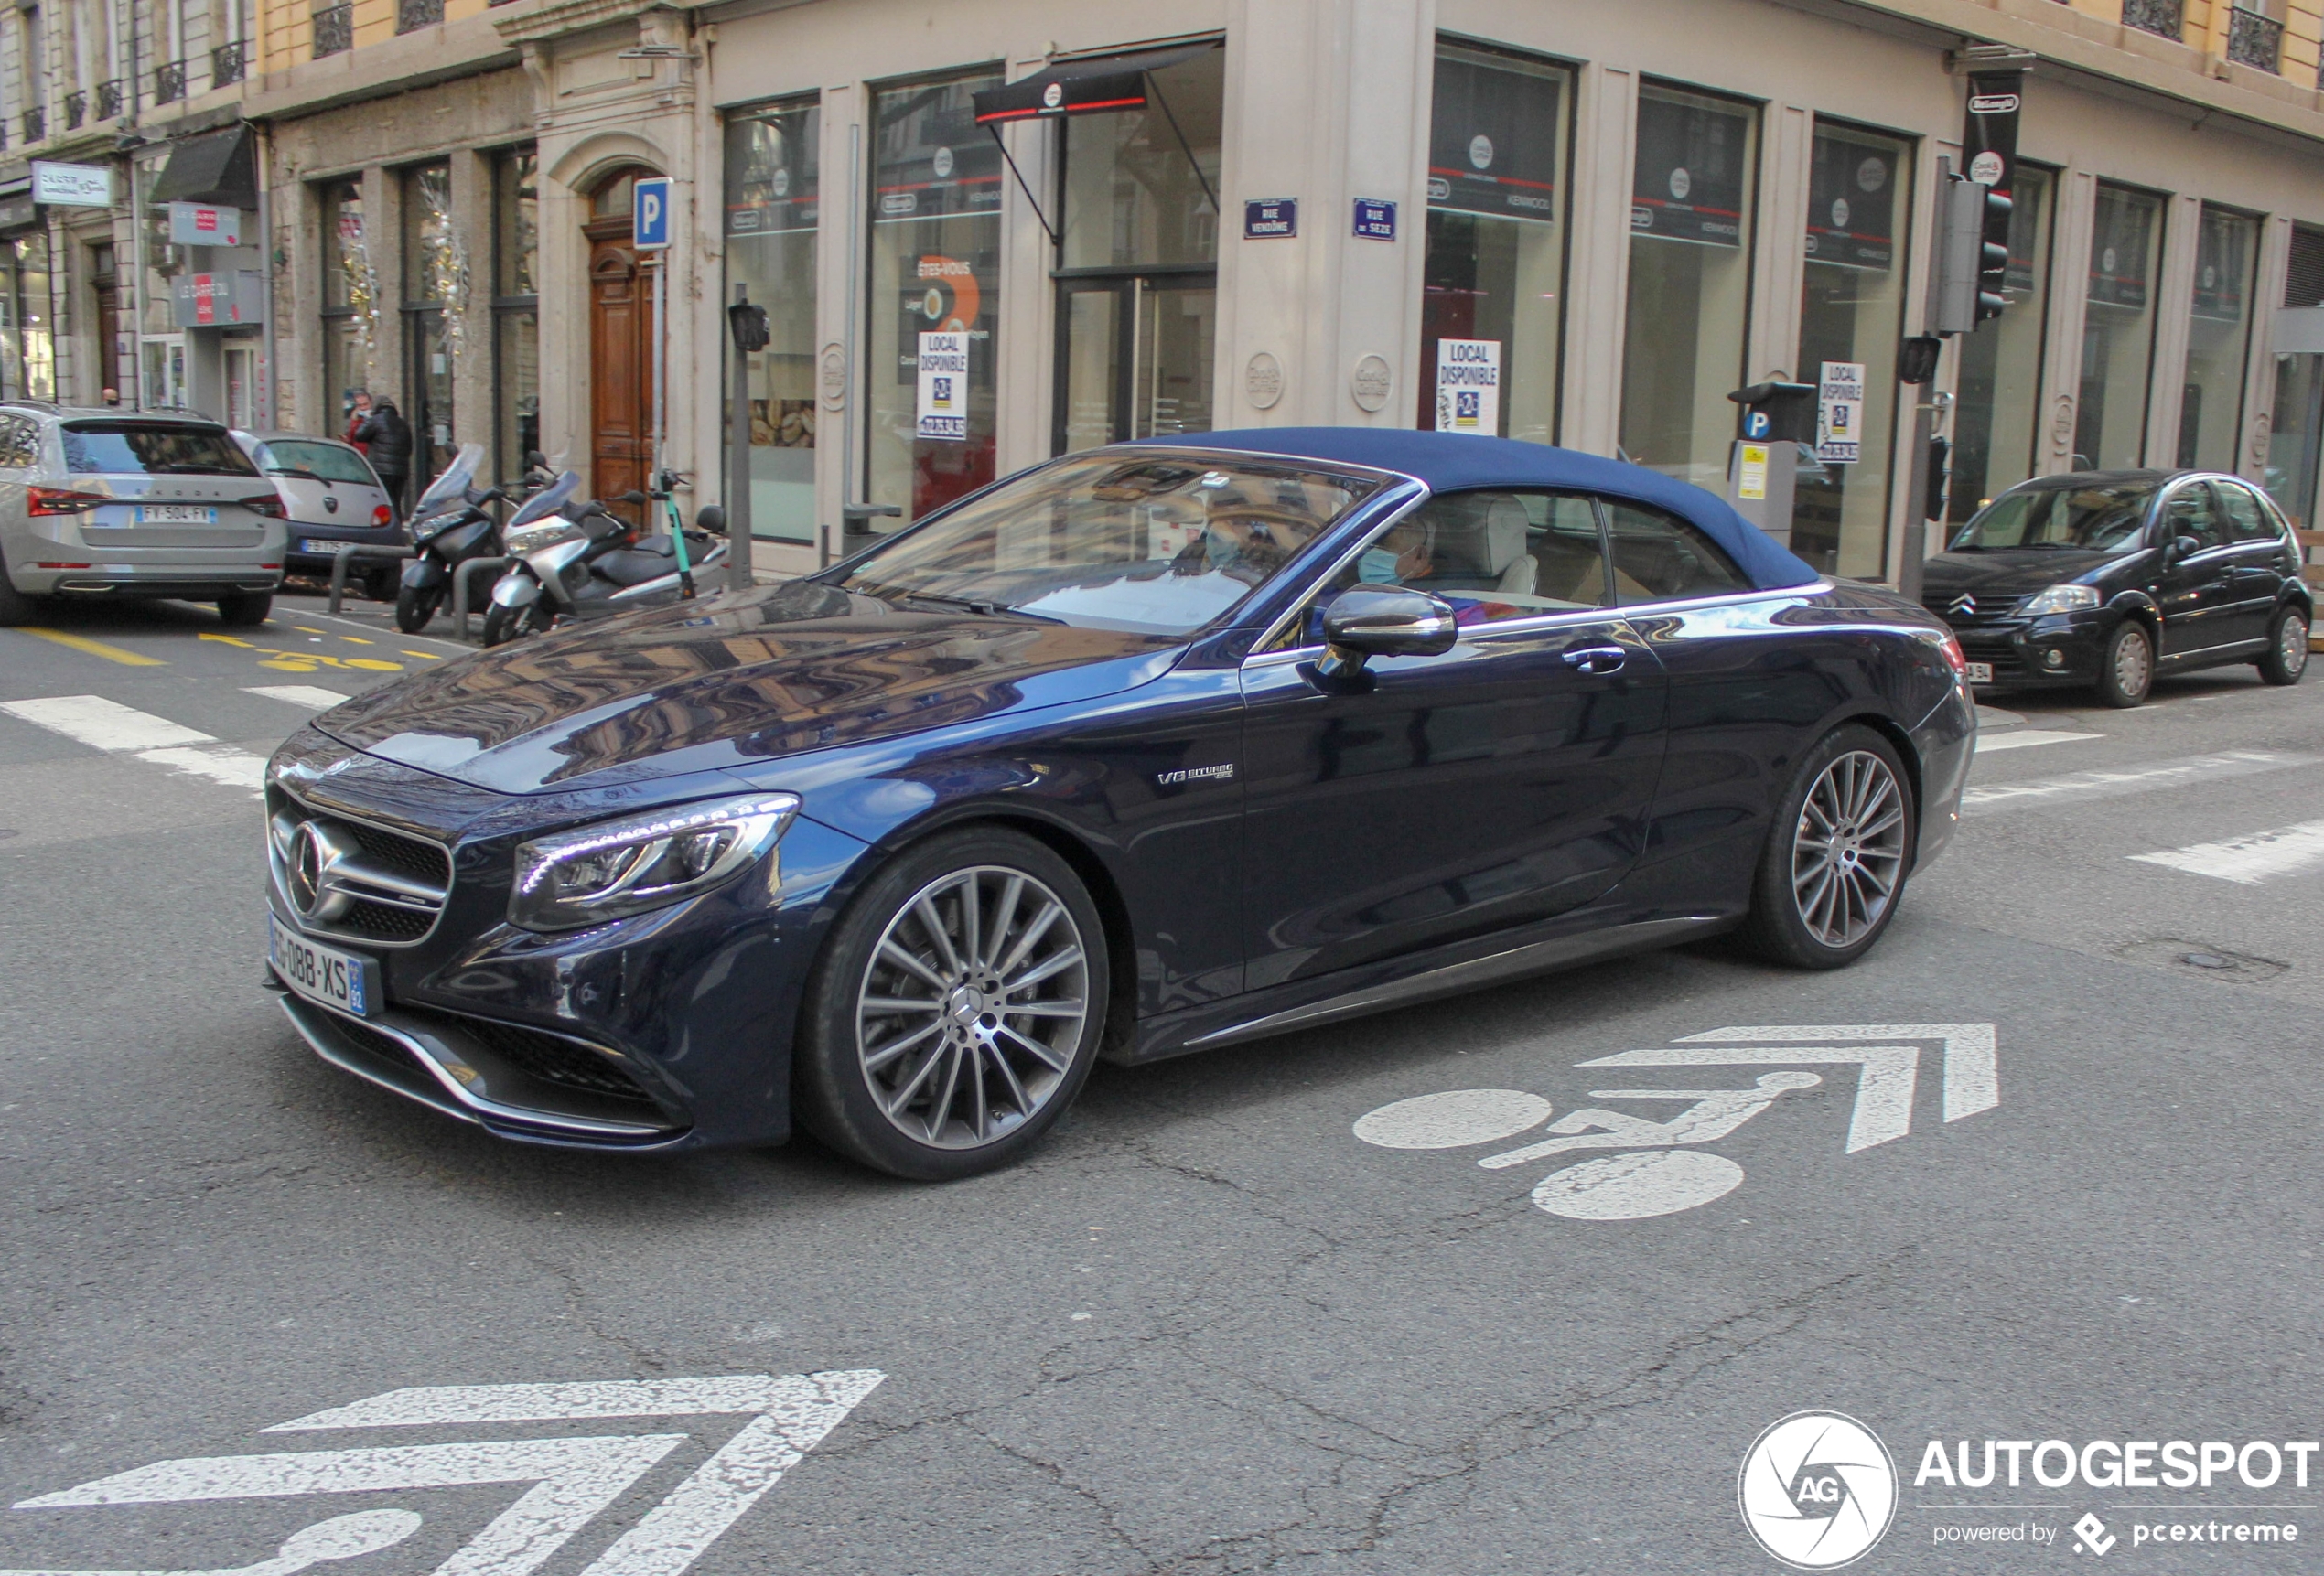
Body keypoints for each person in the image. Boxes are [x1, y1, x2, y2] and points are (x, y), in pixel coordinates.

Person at [356, 396, 412, 518]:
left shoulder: (376, 420)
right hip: (400, 471)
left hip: (381, 469)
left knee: (382, 501)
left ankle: (386, 528)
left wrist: (366, 419)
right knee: (395, 502)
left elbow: (359, 435)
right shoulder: (403, 423)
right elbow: (409, 448)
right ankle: (397, 528)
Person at [343, 390, 371, 455]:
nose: (363, 408)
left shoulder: (376, 417)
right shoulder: (354, 419)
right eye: (360, 405)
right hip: (359, 454)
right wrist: (354, 421)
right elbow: (351, 438)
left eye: (365, 404)